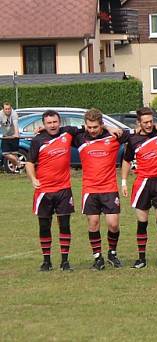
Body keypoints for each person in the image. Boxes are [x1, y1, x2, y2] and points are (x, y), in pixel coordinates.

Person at [72, 109, 130, 270]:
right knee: (93, 223)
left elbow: (136, 133)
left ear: (101, 125)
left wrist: (109, 128)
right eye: (89, 127)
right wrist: (42, 128)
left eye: (95, 127)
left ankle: (112, 253)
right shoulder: (79, 138)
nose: (92, 130)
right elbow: (62, 131)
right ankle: (97, 257)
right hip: (90, 189)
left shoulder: (113, 136)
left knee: (113, 224)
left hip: (109, 188)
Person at [25, 110, 82, 271]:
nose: (52, 125)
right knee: (44, 226)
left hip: (63, 189)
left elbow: (92, 127)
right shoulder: (38, 140)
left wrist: (111, 129)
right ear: (44, 124)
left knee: (64, 225)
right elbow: (29, 162)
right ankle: (46, 261)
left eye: (55, 122)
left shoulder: (67, 133)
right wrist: (33, 178)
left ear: (60, 122)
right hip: (44, 191)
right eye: (49, 123)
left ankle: (65, 261)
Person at [120, 108, 157, 269]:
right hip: (142, 183)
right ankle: (141, 258)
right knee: (142, 222)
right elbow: (127, 160)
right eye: (145, 122)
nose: (149, 125)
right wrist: (123, 181)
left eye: (151, 121)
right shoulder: (133, 139)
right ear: (139, 123)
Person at [1, 102, 20, 170]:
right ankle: (18, 162)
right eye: (6, 109)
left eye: (9, 109)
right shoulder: (0, 114)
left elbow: (15, 124)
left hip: (14, 135)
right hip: (5, 136)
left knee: (14, 153)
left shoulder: (14, 114)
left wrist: (16, 134)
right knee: (5, 153)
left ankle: (15, 170)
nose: (8, 110)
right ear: (3, 109)